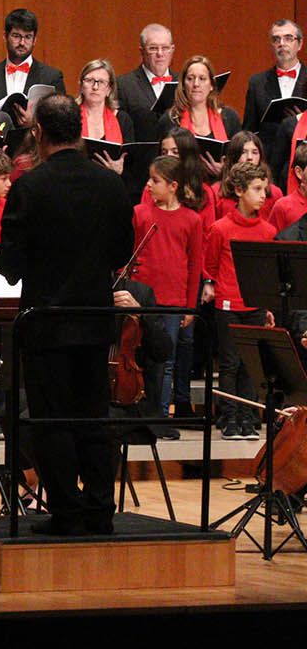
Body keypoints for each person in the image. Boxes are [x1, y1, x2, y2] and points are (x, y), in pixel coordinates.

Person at [0, 93, 134, 535]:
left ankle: (67, 511)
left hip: (45, 323)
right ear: (79, 129)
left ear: (38, 133)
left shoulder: (30, 186)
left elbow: (9, 265)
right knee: (94, 416)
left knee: (51, 419)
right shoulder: (109, 184)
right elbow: (120, 252)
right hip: (94, 321)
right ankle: (98, 507)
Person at [132, 155, 203, 437]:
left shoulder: (192, 220)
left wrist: (189, 307)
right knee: (140, 359)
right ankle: (139, 416)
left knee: (167, 361)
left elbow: (194, 265)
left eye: (155, 180)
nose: (149, 185)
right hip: (143, 298)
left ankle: (160, 418)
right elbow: (131, 253)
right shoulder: (140, 214)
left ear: (173, 186)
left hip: (173, 301)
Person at [204, 162, 274, 440]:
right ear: (239, 190)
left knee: (251, 364)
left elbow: (268, 274)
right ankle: (229, 417)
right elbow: (210, 265)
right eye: (257, 189)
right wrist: (213, 287)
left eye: (264, 190)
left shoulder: (268, 231)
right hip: (229, 304)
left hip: (255, 305)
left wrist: (267, 307)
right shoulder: (221, 228)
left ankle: (248, 417)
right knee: (231, 363)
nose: (262, 195)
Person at [242, 19, 307, 182]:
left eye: (288, 38)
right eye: (276, 39)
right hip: (268, 167)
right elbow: (249, 129)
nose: (281, 43)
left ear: (299, 44)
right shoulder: (257, 83)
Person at [0, 8, 66, 128]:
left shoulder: (52, 77)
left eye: (27, 37)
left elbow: (62, 119)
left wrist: (35, 123)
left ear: (34, 40)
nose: (22, 42)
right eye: (16, 36)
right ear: (5, 36)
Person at [119, 24, 178, 145]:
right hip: (141, 161)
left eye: (165, 48)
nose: (160, 54)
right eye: (153, 48)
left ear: (172, 50)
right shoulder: (123, 85)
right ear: (142, 51)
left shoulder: (184, 82)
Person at [168, 55, 238, 144]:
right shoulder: (170, 119)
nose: (196, 84)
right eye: (190, 78)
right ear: (183, 85)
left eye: (202, 79)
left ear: (211, 85)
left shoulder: (230, 117)